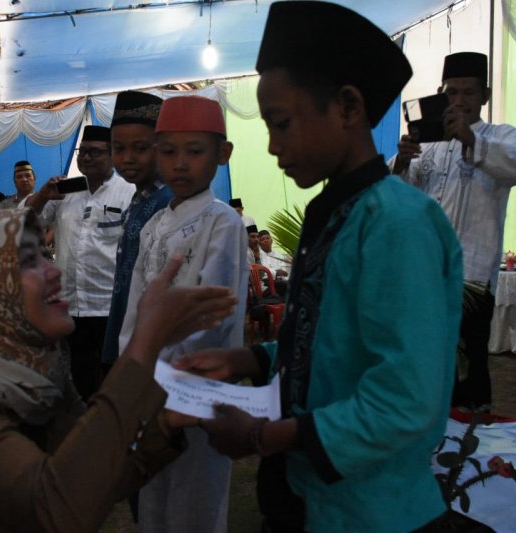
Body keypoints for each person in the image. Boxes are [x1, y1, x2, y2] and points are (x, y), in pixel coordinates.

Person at [174, 3, 464, 531]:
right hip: (309, 497)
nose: (272, 145)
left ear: (348, 107)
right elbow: (332, 337)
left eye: (281, 124)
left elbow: (404, 399)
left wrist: (264, 436)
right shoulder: (332, 211)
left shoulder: (398, 222)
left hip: (373, 510)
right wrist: (249, 360)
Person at [0, 208, 238, 532]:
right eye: (27, 262)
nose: (53, 272)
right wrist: (144, 344)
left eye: (45, 255)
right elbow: (57, 508)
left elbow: (93, 479)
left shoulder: (33, 379)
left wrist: (165, 424)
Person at [118, 95, 249, 533]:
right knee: (154, 485)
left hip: (196, 382)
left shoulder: (223, 221)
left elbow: (216, 314)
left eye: (195, 152)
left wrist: (166, 371)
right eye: (169, 151)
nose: (180, 164)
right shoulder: (155, 225)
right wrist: (132, 370)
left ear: (222, 154)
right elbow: (137, 306)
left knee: (196, 491)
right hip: (149, 381)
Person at [389, 51, 516, 410]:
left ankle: (473, 444)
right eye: (451, 93)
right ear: (441, 95)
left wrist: (470, 138)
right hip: (425, 273)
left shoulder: (501, 136)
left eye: (468, 93)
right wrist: (403, 161)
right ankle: (432, 439)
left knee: (468, 366)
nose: (459, 101)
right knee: (427, 361)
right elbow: (398, 197)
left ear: (484, 96)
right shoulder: (430, 144)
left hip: (471, 277)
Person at [26, 126, 135, 400]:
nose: (86, 158)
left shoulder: (128, 193)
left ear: (112, 155)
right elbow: (24, 226)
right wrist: (41, 197)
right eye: (82, 152)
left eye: (94, 152)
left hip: (109, 305)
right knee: (77, 376)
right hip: (70, 305)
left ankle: (115, 428)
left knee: (114, 376)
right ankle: (81, 428)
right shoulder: (65, 191)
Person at [101, 91, 173, 373]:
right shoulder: (138, 200)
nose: (127, 158)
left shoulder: (169, 203)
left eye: (140, 148)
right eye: (118, 149)